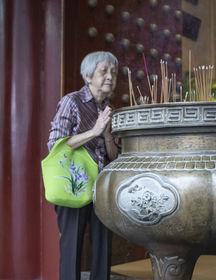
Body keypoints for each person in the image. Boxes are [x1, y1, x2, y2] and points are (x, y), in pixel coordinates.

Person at [47, 51, 119, 280]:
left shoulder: (109, 110)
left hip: (101, 187)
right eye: (104, 71)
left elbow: (114, 157)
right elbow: (55, 144)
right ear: (88, 76)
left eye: (114, 72)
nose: (110, 76)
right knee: (71, 248)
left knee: (102, 248)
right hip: (74, 184)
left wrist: (107, 136)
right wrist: (95, 131)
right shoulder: (72, 101)